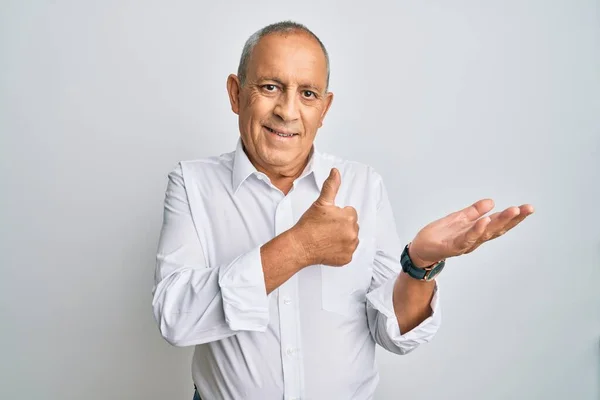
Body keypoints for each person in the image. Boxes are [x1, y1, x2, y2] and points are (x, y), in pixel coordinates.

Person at [152, 21, 534, 400]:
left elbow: (391, 333)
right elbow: (176, 319)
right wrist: (299, 248)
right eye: (270, 87)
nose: (287, 110)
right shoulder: (192, 184)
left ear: (325, 108)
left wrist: (419, 264)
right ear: (236, 94)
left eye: (308, 94)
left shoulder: (363, 186)